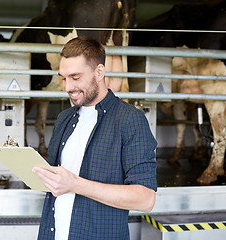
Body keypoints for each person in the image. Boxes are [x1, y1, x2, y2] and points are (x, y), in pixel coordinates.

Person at [32, 36, 157, 240]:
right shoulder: (65, 119)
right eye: (63, 78)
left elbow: (145, 198)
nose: (67, 87)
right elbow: (58, 182)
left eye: (75, 77)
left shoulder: (130, 120)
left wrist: (76, 185)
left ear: (99, 72)